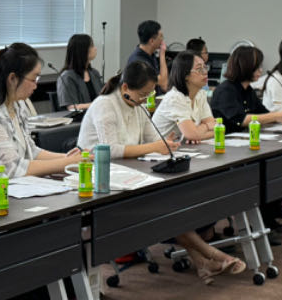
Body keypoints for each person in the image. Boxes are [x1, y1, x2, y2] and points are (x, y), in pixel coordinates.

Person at [81, 60, 245, 283]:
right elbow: (109, 150)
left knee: (168, 206)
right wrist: (155, 147)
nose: (146, 100)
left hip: (130, 175)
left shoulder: (136, 105)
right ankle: (211, 256)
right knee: (164, 207)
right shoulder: (105, 106)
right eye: (143, 94)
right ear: (125, 88)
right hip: (99, 180)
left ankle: (204, 263)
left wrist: (165, 142)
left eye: (150, 94)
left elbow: (153, 138)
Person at [0, 44, 83, 194]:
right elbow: (12, 168)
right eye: (33, 78)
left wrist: (71, 158)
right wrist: (67, 163)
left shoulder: (17, 106)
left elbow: (31, 151)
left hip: (9, 192)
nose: (36, 86)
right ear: (12, 78)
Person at [209, 44, 282, 131]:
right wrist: (275, 116)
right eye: (257, 67)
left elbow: (263, 114)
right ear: (245, 66)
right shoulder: (226, 90)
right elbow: (241, 120)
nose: (261, 70)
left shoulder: (248, 90)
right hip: (224, 141)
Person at [154, 50, 219, 143]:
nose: (205, 72)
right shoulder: (175, 98)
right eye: (199, 69)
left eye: (205, 67)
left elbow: (216, 130)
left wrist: (197, 134)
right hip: (157, 153)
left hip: (180, 150)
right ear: (186, 75)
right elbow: (193, 134)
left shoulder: (200, 94)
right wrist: (206, 127)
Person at [56, 33, 102, 111]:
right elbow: (71, 107)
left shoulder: (94, 73)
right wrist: (96, 104)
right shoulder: (67, 77)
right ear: (83, 50)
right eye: (92, 46)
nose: (95, 49)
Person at [127, 19, 168, 92]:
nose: (163, 40)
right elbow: (163, 83)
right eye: (161, 36)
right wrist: (162, 54)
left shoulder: (151, 55)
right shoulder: (138, 61)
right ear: (152, 41)